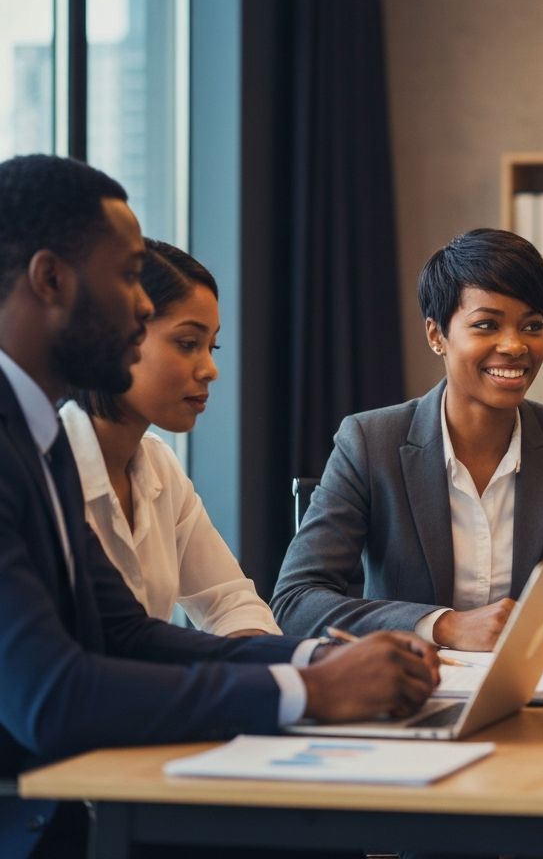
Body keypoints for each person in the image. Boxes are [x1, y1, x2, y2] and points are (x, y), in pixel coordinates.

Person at [0, 155, 438, 859]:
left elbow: (129, 633)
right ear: (50, 279)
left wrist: (313, 658)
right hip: (41, 821)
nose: (142, 305)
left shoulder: (35, 435)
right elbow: (52, 699)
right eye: (126, 275)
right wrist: (308, 691)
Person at [272, 227, 543, 651]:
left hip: (542, 688)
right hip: (415, 692)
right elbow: (296, 600)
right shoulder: (370, 442)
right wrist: (443, 626)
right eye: (486, 325)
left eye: (532, 325)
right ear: (436, 335)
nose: (515, 346)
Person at [62, 239, 278, 636]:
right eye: (187, 344)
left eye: (211, 347)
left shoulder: (158, 463)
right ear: (117, 335)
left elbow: (228, 600)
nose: (210, 369)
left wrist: (262, 660)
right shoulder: (42, 466)